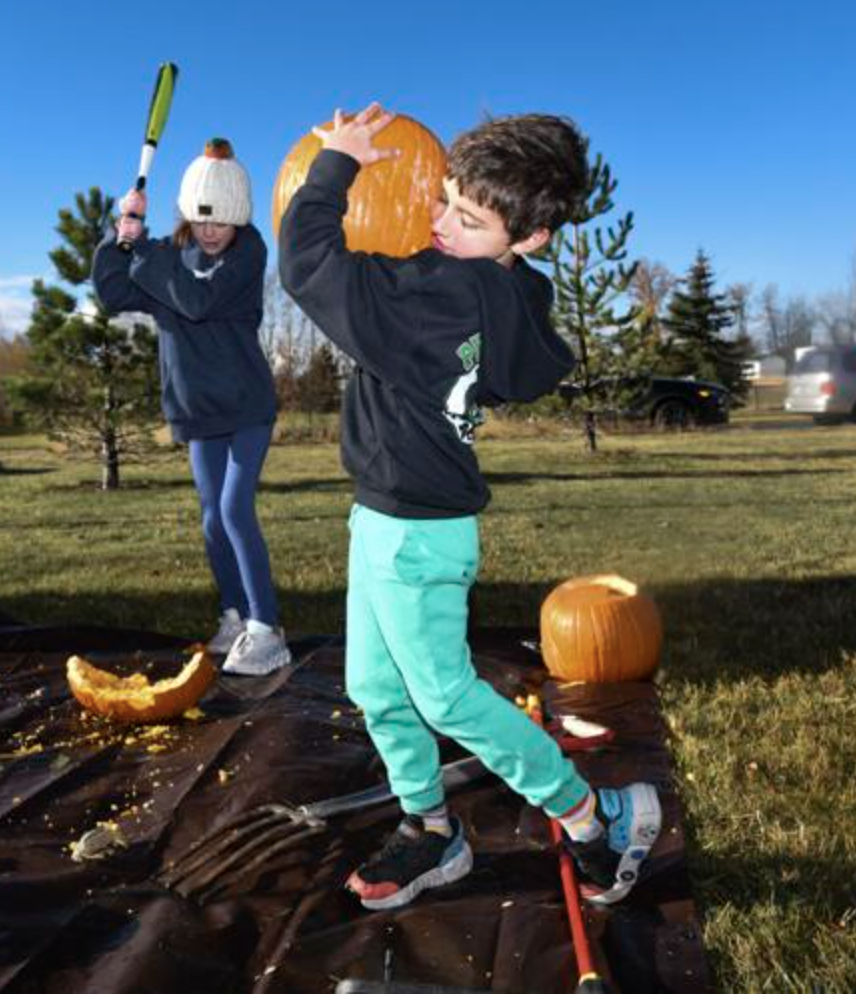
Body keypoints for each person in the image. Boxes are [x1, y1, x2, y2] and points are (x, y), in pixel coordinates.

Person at [279, 104, 661, 910]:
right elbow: (522, 341)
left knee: (446, 695)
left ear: (528, 237)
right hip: (387, 516)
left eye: (468, 217)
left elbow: (309, 265)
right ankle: (430, 828)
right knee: (377, 688)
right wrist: (486, 239)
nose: (440, 223)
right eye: (444, 199)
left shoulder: (432, 294)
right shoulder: (504, 291)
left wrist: (335, 165)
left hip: (417, 530)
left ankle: (597, 816)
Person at [93, 138, 290, 676]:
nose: (211, 232)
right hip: (197, 410)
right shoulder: (169, 259)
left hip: (246, 405)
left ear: (239, 219)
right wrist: (118, 237)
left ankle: (267, 629)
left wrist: (146, 253)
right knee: (211, 521)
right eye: (203, 221)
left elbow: (198, 302)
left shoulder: (248, 253)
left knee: (233, 509)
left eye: (222, 222)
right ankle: (234, 616)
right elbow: (113, 293)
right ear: (187, 213)